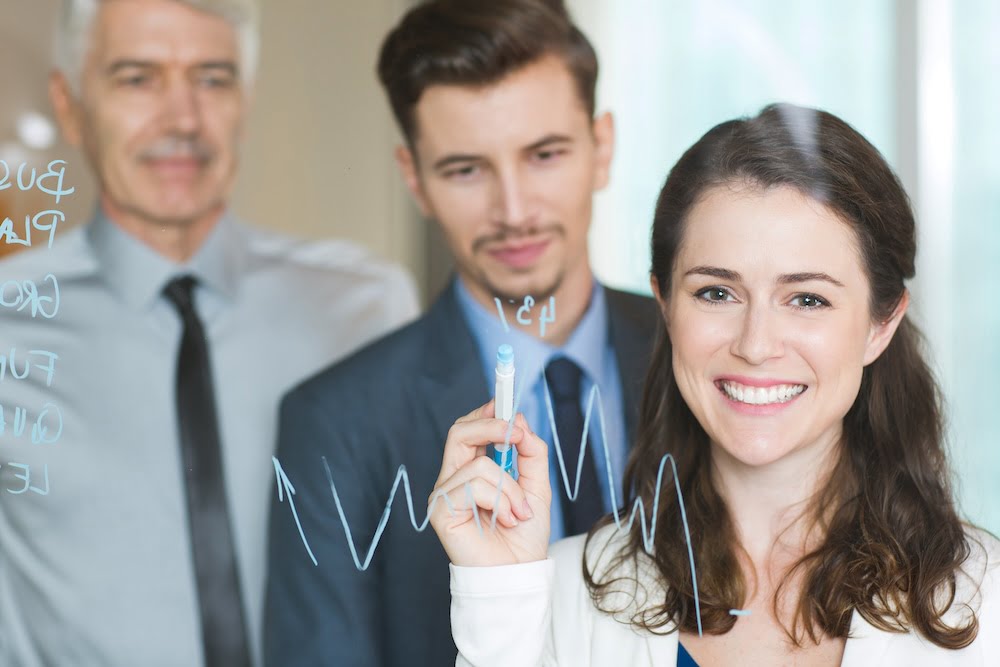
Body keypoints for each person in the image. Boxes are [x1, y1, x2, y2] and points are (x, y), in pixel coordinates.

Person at [430, 103, 1000, 666]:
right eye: (716, 293)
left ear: (882, 325)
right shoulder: (556, 597)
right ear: (666, 305)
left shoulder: (987, 601)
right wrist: (499, 603)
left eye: (807, 299)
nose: (755, 344)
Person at [0, 1, 416, 665]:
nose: (183, 120)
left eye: (212, 78)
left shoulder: (363, 306)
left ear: (245, 100)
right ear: (69, 103)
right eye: (137, 78)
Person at [263, 1, 660, 665]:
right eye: (465, 169)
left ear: (603, 148)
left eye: (544, 154)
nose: (514, 211)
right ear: (414, 179)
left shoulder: (705, 359)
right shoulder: (334, 424)